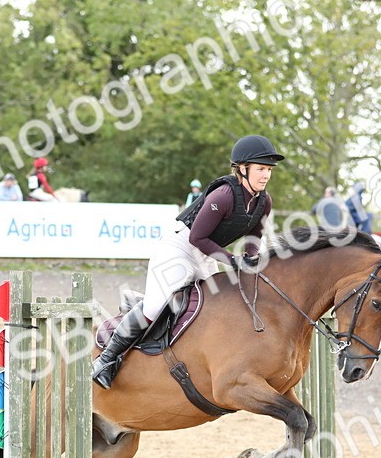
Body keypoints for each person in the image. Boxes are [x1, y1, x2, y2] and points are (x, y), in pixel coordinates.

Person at [91, 135, 283, 389]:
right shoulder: (224, 195)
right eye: (261, 169)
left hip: (205, 251)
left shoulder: (263, 201)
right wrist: (231, 260)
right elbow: (197, 237)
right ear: (243, 169)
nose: (265, 175)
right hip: (179, 245)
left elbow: (254, 235)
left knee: (218, 300)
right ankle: (106, 359)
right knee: (154, 308)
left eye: (268, 170)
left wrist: (251, 259)